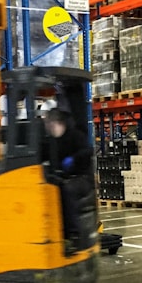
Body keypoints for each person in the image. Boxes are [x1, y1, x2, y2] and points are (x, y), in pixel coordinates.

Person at [42, 109, 94, 254]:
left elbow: (88, 151)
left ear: (57, 123)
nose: (48, 128)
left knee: (67, 191)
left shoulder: (75, 136)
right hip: (65, 178)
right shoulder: (53, 141)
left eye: (49, 124)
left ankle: (74, 235)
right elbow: (43, 152)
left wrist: (74, 159)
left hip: (82, 178)